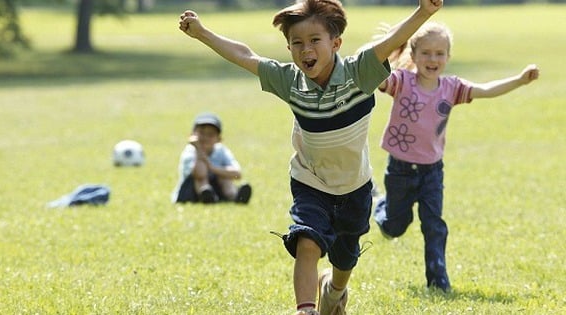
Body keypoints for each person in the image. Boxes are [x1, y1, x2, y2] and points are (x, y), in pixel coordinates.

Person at [178, 0, 442, 313]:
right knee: (307, 241)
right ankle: (305, 308)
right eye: (297, 43)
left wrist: (424, 11)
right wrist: (203, 33)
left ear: (336, 42)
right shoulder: (290, 82)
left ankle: (333, 290)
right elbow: (245, 55)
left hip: (355, 186)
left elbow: (390, 41)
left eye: (315, 40)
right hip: (310, 181)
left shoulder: (359, 73)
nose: (306, 50)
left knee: (345, 258)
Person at [372, 21, 540, 292]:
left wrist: (520, 80)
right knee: (394, 227)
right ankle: (379, 205)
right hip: (400, 169)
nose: (433, 59)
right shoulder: (401, 81)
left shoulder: (451, 87)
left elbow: (486, 90)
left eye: (440, 53)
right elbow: (374, 74)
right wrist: (387, 45)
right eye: (426, 53)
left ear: (448, 58)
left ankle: (438, 280)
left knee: (434, 225)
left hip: (432, 172)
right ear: (413, 56)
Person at [171, 112, 252, 204]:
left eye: (210, 134)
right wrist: (198, 149)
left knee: (224, 176)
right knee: (201, 180)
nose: (205, 137)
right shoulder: (190, 152)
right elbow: (200, 174)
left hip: (216, 188)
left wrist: (212, 168)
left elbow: (237, 174)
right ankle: (206, 195)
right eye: (201, 133)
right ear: (192, 135)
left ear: (219, 139)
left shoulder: (221, 151)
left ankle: (234, 195)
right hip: (190, 192)